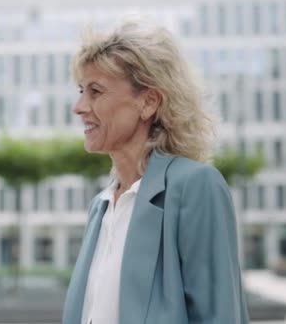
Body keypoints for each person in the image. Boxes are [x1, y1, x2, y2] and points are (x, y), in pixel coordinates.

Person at [62, 18, 250, 324]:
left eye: (95, 92)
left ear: (148, 102)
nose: (79, 106)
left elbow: (219, 316)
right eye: (82, 90)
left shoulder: (195, 186)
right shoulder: (101, 206)